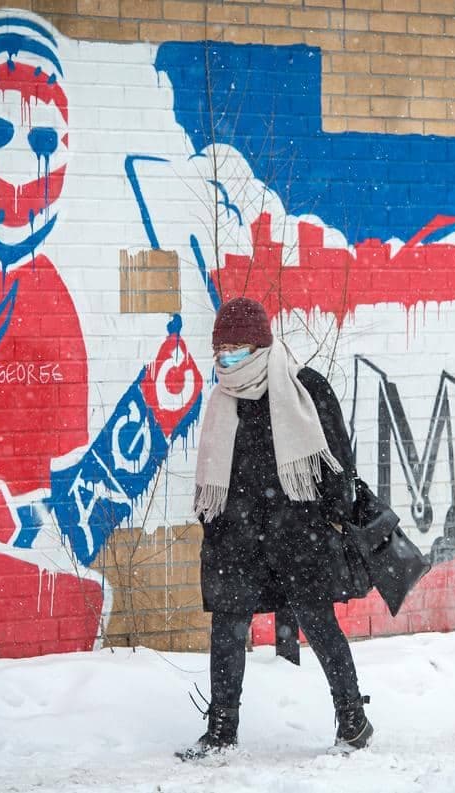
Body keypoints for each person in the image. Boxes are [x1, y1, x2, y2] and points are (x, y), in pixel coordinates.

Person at [178, 297, 373, 760]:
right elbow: (216, 474)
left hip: (298, 536)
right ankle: (221, 731)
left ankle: (353, 721)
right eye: (221, 350)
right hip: (236, 538)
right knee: (227, 627)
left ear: (260, 345)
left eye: (236, 349)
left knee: (318, 623)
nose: (227, 358)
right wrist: (214, 524)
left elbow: (337, 464)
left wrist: (330, 516)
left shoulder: (306, 388)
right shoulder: (223, 400)